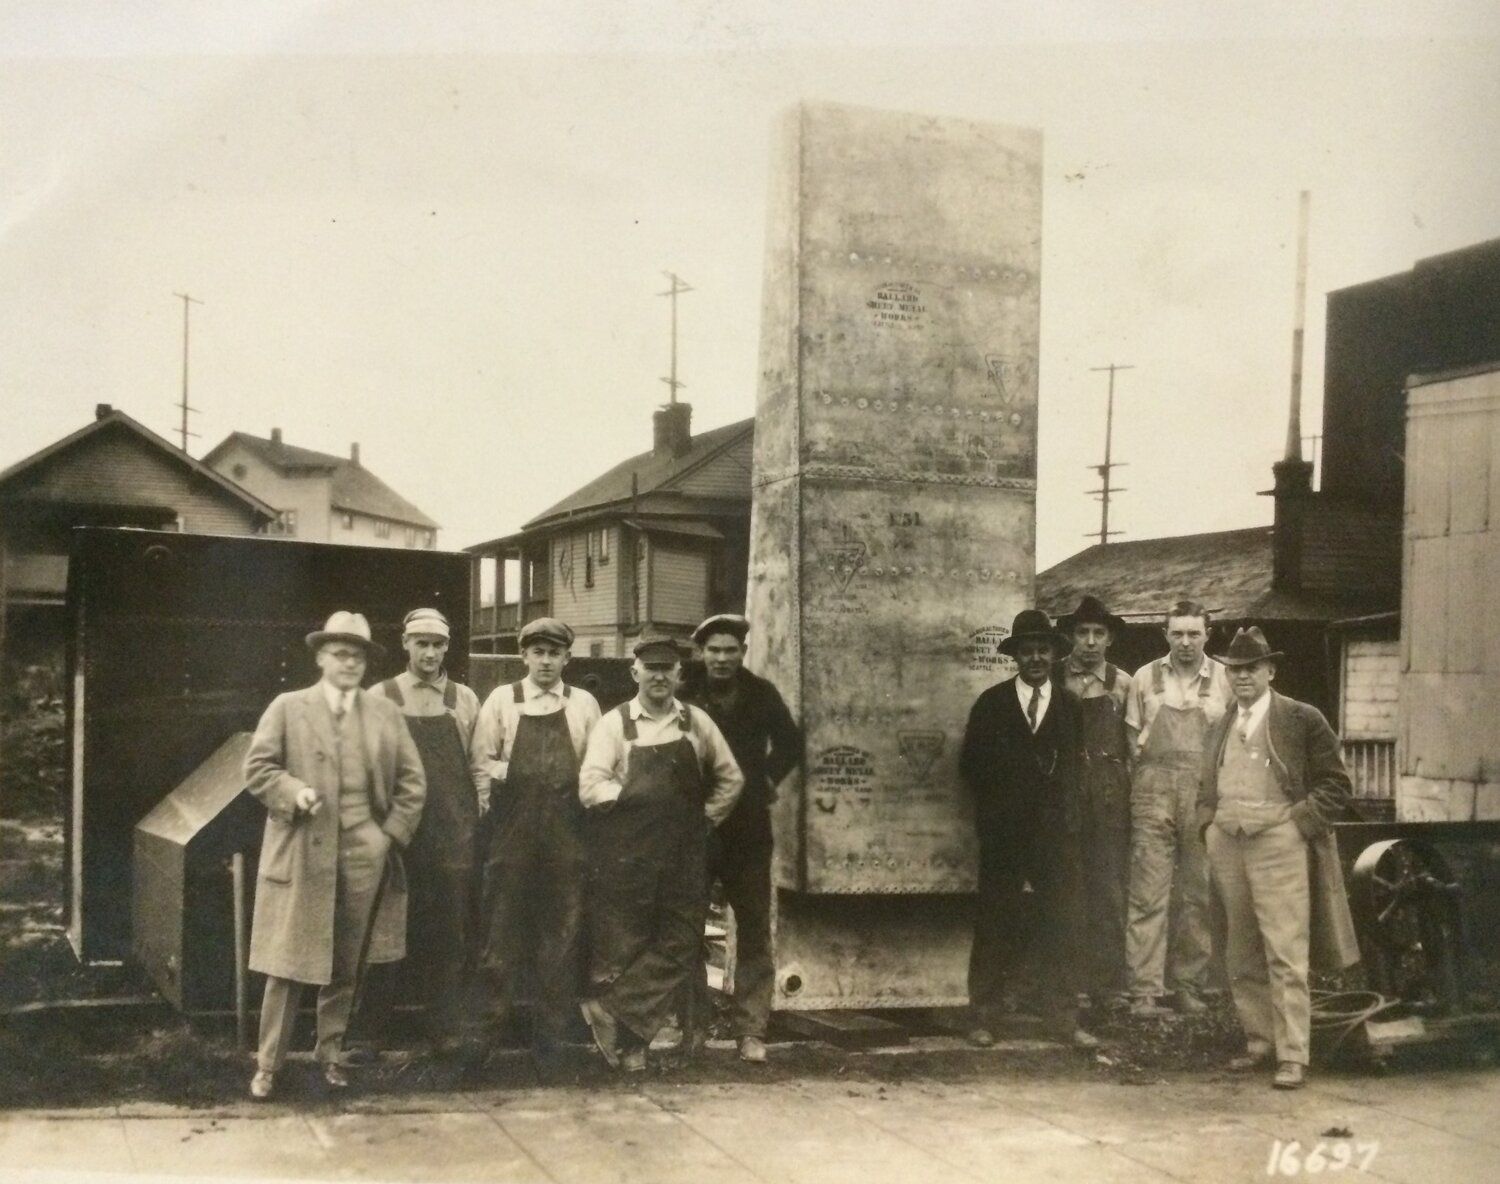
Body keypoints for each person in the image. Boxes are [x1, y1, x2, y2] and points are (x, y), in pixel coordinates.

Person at [244, 611, 426, 1100]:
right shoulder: (288, 707)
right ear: (321, 657)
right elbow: (258, 767)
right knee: (288, 963)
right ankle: (268, 1065)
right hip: (304, 850)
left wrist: (388, 835)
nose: (349, 663)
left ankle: (330, 1056)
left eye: (358, 655)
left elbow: (412, 782)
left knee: (348, 962)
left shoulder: (385, 712)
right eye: (340, 653)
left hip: (366, 854)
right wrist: (294, 791)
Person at [1197, 627, 1360, 1089]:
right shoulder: (1221, 723)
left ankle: (1293, 1055)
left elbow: (1335, 784)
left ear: (1271, 670)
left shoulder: (1301, 718)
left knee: (1286, 950)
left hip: (1279, 842)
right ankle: (1259, 1042)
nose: (1242, 677)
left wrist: (1297, 824)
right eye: (1235, 670)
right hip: (1228, 841)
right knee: (1241, 949)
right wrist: (1207, 824)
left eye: (1252, 668)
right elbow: (1206, 784)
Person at [577, 634, 744, 1072]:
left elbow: (731, 778)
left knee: (683, 941)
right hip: (629, 855)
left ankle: (610, 1011)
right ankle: (634, 1049)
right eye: (650, 668)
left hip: (683, 854)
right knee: (629, 947)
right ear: (635, 673)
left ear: (678, 674)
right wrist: (636, 801)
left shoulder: (696, 723)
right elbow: (591, 785)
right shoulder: (615, 724)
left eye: (667, 669)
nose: (658, 676)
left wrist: (704, 820)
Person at [959, 608, 1097, 1050]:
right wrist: (1000, 810)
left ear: (1054, 656)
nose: (1036, 658)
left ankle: (1062, 1018)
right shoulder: (992, 704)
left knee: (1064, 921)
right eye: (1027, 650)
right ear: (1015, 656)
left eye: (1043, 650)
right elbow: (971, 768)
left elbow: (1077, 770)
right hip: (1005, 835)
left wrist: (1069, 821)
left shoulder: (1071, 706)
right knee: (995, 919)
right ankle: (984, 1016)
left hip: (1056, 837)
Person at [471, 617, 601, 1074]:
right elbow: (482, 764)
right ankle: (487, 1037)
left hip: (567, 836)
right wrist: (512, 779)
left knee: (560, 939)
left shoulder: (583, 704)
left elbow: (595, 767)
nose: (546, 662)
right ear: (524, 656)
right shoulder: (502, 700)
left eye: (555, 653)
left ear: (568, 658)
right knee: (500, 935)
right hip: (512, 833)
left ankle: (550, 1043)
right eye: (538, 653)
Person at [678, 613, 802, 1063]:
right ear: (702, 653)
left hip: (748, 829)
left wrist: (765, 778)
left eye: (731, 650)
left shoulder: (760, 694)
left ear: (742, 653)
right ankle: (693, 1027)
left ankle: (752, 1030)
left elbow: (790, 741)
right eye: (714, 650)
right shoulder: (685, 693)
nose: (722, 658)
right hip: (696, 826)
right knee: (687, 925)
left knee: (752, 928)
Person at [361, 608, 485, 1058]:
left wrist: (474, 820)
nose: (430, 653)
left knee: (448, 932)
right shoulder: (382, 695)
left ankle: (444, 1030)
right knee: (383, 928)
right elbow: (368, 766)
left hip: (452, 832)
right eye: (421, 643)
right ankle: (371, 1033)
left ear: (447, 647)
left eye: (438, 644)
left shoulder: (464, 699)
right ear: (406, 645)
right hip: (397, 831)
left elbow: (478, 766)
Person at [1123, 600, 1233, 1016]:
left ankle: (1188, 985)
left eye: (1194, 633)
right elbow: (1130, 742)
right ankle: (1144, 991)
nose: (1186, 642)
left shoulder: (1224, 678)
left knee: (1197, 893)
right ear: (1164, 635)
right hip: (1153, 789)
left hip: (1204, 793)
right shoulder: (1143, 677)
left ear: (1208, 634)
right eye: (1177, 633)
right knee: (1147, 892)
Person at [1056, 595, 1133, 1008]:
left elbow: (1136, 745)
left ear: (1110, 639)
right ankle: (1073, 985)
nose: (1089, 642)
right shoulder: (1054, 678)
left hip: (1109, 797)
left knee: (1109, 889)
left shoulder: (1124, 683)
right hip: (1067, 794)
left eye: (1098, 633)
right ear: (1070, 636)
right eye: (1082, 633)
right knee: (1070, 889)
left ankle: (1109, 984)